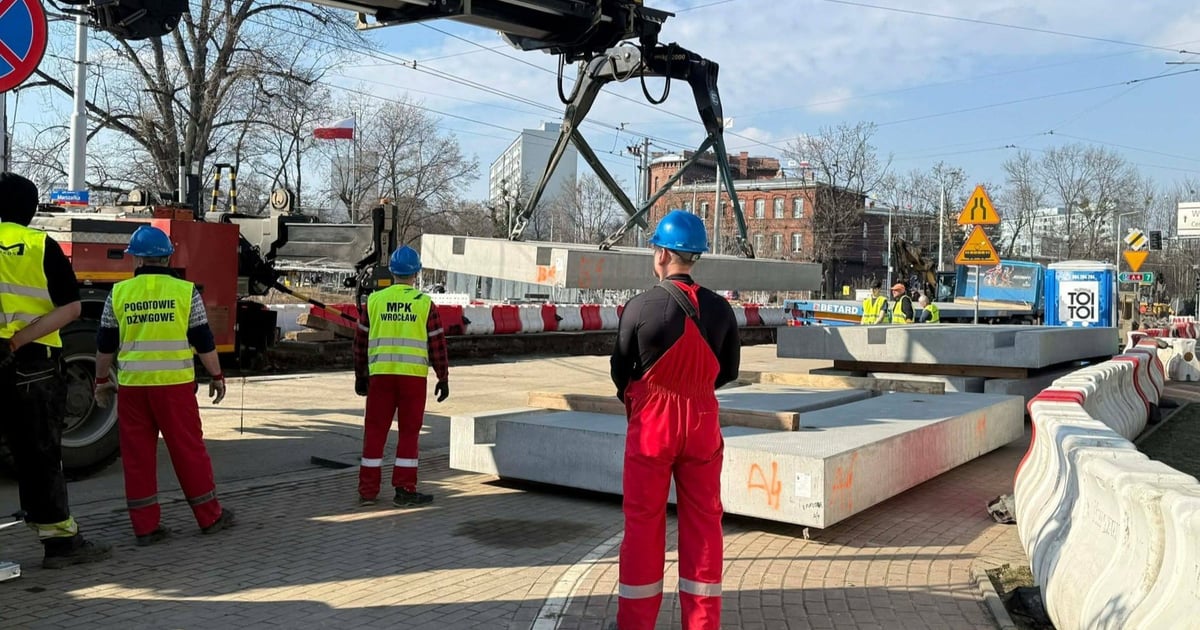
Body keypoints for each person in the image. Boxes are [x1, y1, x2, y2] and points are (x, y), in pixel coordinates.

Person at [610, 209, 741, 630]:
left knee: (644, 525)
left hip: (653, 426)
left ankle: (635, 623)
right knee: (705, 526)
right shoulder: (721, 310)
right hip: (702, 421)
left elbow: (620, 368)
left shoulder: (639, 307)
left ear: (663, 253)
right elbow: (729, 370)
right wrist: (695, 390)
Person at [94, 225, 234, 545]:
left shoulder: (119, 294)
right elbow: (203, 341)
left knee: (138, 457)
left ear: (136, 260)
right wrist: (216, 376)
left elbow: (104, 346)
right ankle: (210, 516)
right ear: (168, 257)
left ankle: (145, 527)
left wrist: (101, 381)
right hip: (175, 388)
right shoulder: (186, 293)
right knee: (188, 451)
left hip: (133, 389)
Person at [0, 172, 112, 568]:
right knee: (38, 456)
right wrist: (15, 341)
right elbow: (72, 308)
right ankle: (60, 544)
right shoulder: (37, 245)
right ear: (29, 210)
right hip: (31, 368)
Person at [353, 245, 449, 507]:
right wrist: (443, 377)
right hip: (412, 379)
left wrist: (360, 375)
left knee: (374, 432)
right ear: (416, 273)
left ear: (392, 272)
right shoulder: (423, 304)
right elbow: (437, 343)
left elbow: (360, 342)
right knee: (408, 433)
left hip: (380, 377)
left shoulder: (373, 301)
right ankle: (405, 489)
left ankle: (368, 491)